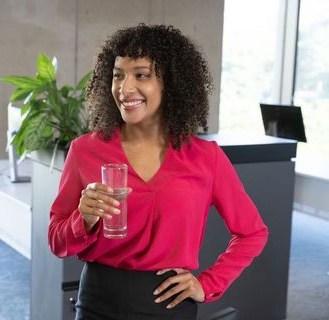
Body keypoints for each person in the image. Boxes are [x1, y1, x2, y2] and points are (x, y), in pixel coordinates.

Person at [48, 24, 268, 319]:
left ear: (171, 83)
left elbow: (252, 232)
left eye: (141, 75)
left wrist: (208, 284)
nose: (125, 88)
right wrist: (83, 219)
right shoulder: (85, 151)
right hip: (98, 302)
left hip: (170, 307)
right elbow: (56, 241)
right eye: (118, 75)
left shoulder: (205, 158)